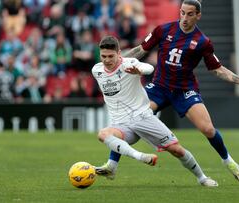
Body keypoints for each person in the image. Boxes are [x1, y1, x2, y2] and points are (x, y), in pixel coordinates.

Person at [96, 0, 239, 182]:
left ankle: (228, 161)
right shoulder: (163, 30)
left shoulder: (203, 42)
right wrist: (116, 64)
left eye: (190, 14)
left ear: (198, 15)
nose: (184, 18)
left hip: (184, 90)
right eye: (182, 12)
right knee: (129, 118)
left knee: (207, 129)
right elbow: (140, 50)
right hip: (158, 88)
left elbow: (217, 68)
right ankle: (112, 166)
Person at [92, 35, 218, 187]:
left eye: (110, 56)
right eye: (103, 56)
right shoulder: (96, 70)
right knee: (103, 134)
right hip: (121, 125)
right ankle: (134, 158)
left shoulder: (129, 63)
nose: (106, 60)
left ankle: (202, 178)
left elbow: (149, 68)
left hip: (143, 117)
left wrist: (139, 70)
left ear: (119, 53)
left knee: (176, 150)